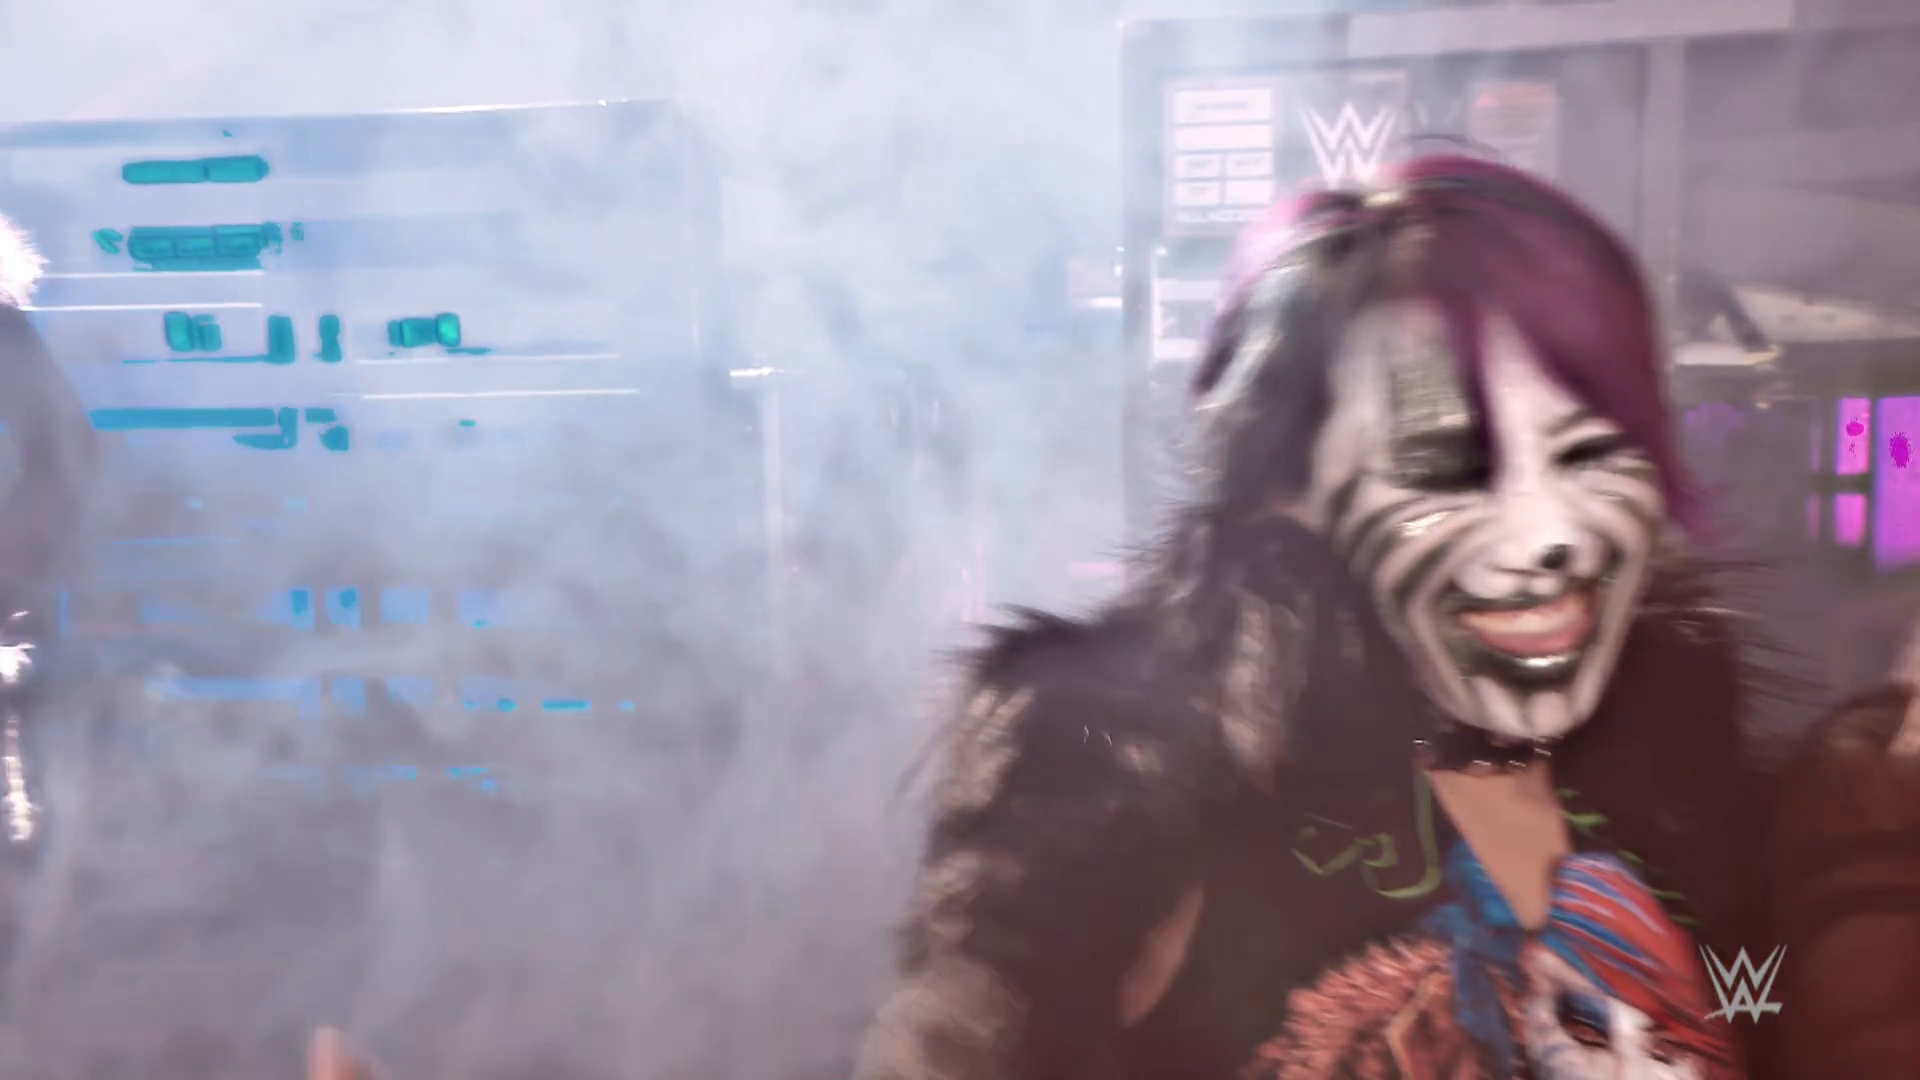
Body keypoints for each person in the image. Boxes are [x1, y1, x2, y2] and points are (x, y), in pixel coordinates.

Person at [848, 154, 1920, 1079]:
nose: (1547, 532)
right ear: (1283, 490)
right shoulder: (1126, 781)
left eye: (1591, 453)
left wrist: (1859, 854)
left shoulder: (1689, 786)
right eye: (1444, 467)